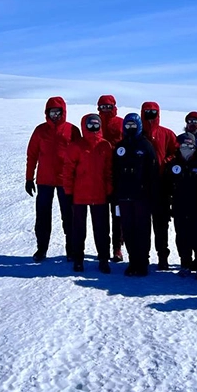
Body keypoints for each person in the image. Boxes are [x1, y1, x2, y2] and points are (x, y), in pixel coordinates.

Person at [25, 96, 81, 261]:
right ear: (47, 113)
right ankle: (41, 249)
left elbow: (79, 157)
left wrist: (79, 179)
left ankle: (71, 250)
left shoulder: (72, 130)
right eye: (52, 112)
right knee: (42, 216)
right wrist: (29, 178)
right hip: (44, 180)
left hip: (66, 181)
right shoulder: (40, 131)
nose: (55, 115)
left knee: (69, 216)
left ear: (63, 112)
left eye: (58, 112)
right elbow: (32, 154)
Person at [63, 114, 113, 274]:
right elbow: (68, 170)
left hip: (100, 195)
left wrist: (109, 190)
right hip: (80, 195)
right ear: (84, 126)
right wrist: (69, 192)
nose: (93, 128)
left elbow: (109, 171)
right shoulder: (76, 146)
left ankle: (104, 259)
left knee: (102, 229)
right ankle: (78, 259)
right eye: (90, 125)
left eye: (95, 125)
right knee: (78, 229)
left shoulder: (105, 146)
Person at [163, 132, 197, 278]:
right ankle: (185, 263)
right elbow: (167, 186)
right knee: (182, 236)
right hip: (180, 206)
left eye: (190, 145)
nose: (187, 148)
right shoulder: (173, 164)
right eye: (184, 145)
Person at [112, 112, 159, 276]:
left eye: (133, 125)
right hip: (124, 195)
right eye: (127, 125)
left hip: (142, 196)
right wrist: (115, 194)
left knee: (142, 229)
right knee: (128, 228)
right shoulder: (120, 147)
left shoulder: (146, 146)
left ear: (139, 126)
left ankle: (143, 262)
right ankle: (133, 261)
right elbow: (114, 172)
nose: (130, 128)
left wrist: (153, 195)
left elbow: (153, 172)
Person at [141, 101, 178, 270]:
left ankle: (163, 256)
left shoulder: (167, 134)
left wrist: (165, 162)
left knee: (161, 224)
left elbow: (175, 153)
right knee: (143, 225)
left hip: (162, 185)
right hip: (142, 186)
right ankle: (143, 256)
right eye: (147, 111)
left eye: (153, 111)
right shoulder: (139, 135)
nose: (150, 114)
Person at [97, 95, 125, 262]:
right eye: (102, 106)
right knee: (100, 215)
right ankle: (103, 247)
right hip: (98, 176)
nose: (105, 109)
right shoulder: (94, 123)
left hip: (117, 176)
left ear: (114, 107)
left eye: (108, 106)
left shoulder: (120, 123)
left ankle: (117, 247)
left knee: (117, 214)